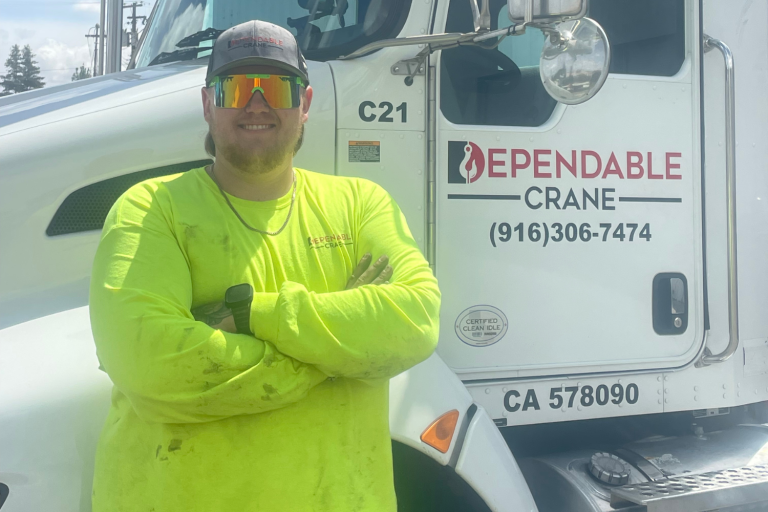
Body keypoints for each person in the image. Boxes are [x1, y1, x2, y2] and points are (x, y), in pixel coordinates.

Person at [89, 20, 440, 512]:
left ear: (306, 103)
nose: (257, 103)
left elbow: (414, 322)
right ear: (209, 104)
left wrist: (253, 316)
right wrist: (335, 352)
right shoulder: (150, 208)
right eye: (236, 87)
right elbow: (150, 363)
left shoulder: (362, 203)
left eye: (276, 86)